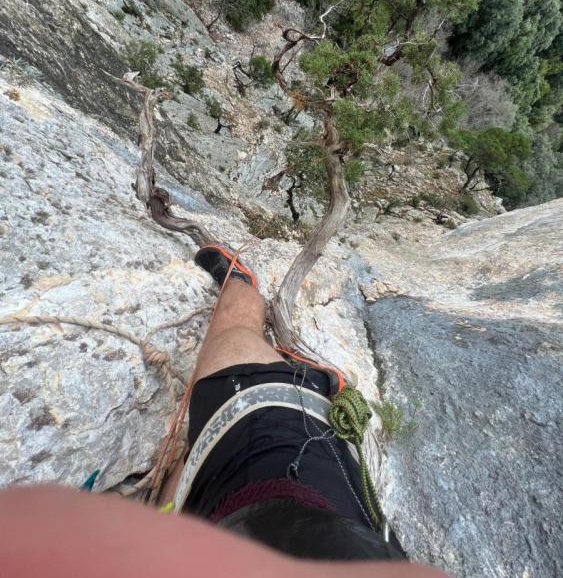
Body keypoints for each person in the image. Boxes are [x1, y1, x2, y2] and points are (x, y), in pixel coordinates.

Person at [0, 245, 448, 577]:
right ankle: (240, 286)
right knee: (233, 340)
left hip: (281, 471)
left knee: (229, 346)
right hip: (289, 457)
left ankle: (239, 285)